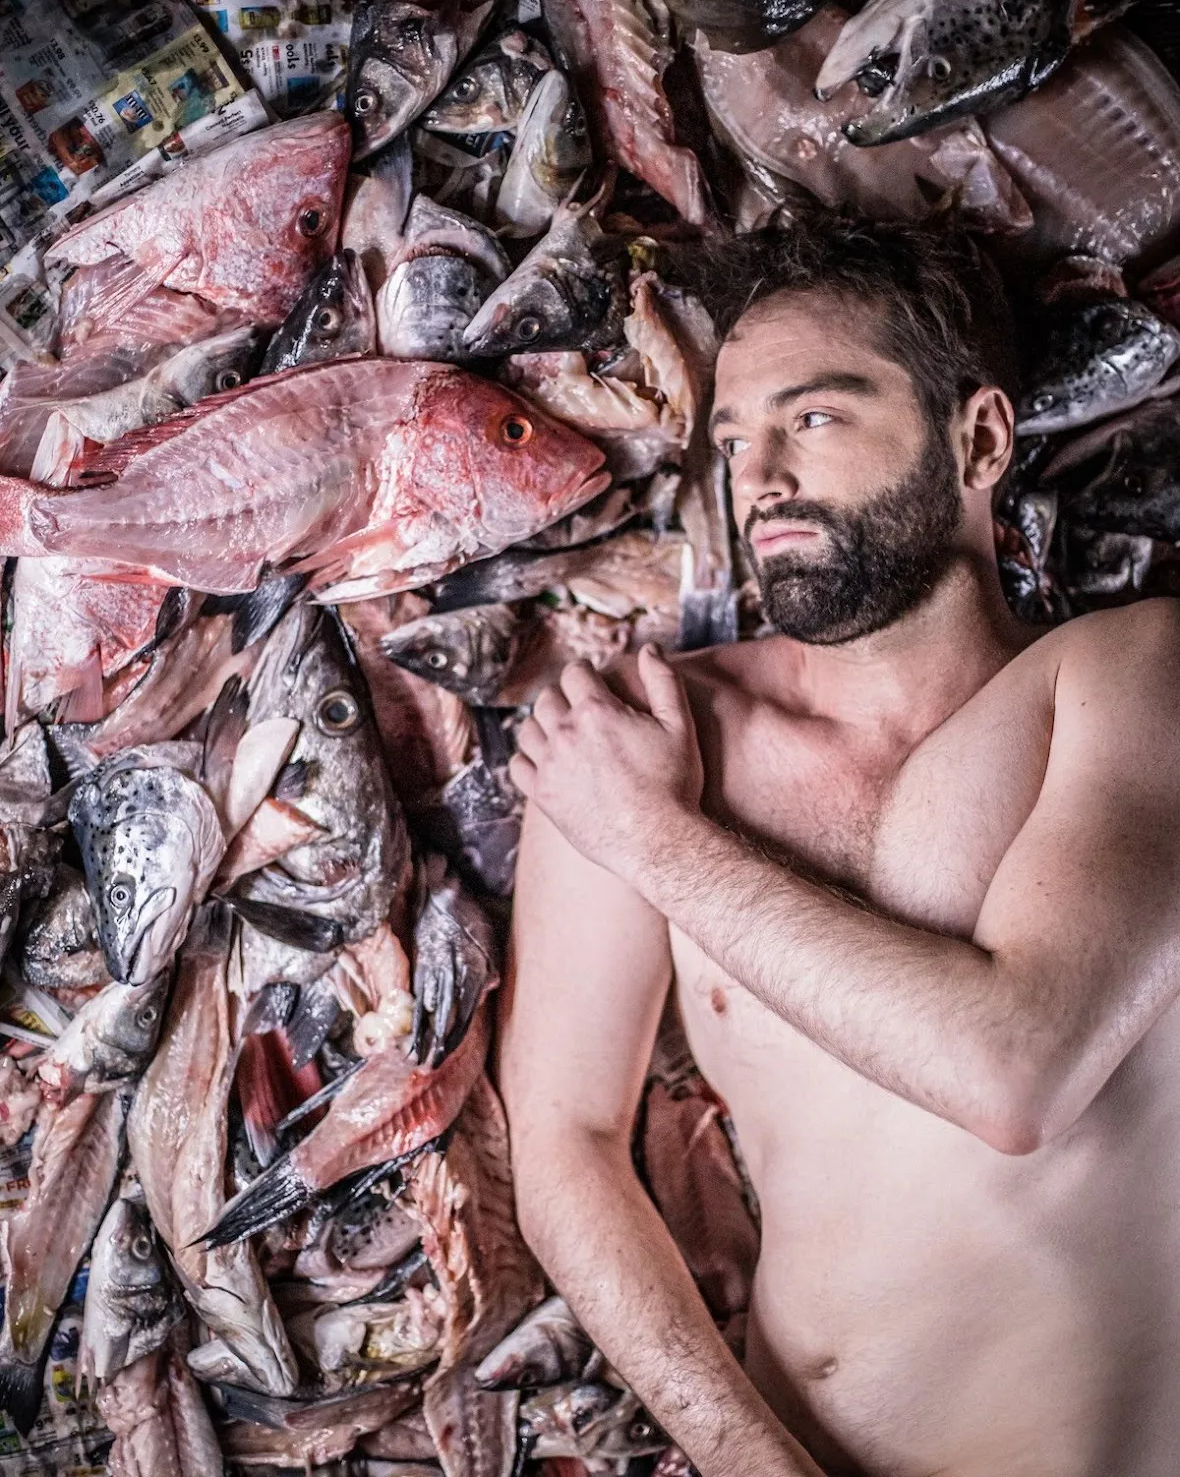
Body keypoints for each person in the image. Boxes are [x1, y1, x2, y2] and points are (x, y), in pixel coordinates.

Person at [498, 215, 1180, 1477]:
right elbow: (563, 1143)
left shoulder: (1134, 674)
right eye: (735, 441)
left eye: (813, 419)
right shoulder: (645, 737)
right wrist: (749, 1462)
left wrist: (656, 839)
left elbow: (1017, 1072)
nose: (759, 479)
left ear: (976, 438)